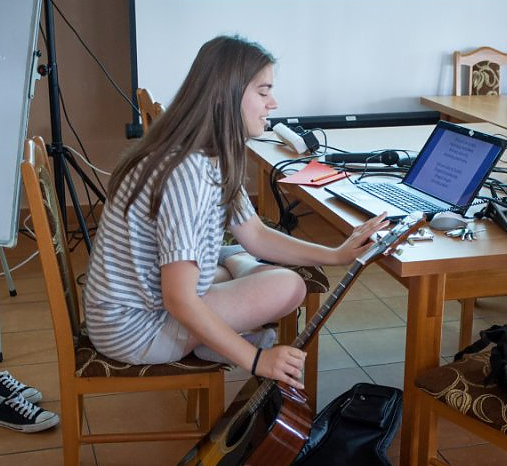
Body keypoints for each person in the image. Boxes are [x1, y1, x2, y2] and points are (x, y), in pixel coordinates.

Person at [83, 35, 387, 388]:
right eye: (263, 91)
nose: (273, 103)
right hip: (137, 330)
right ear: (224, 95)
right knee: (287, 286)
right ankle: (218, 337)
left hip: (137, 309)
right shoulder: (188, 173)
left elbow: (254, 234)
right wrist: (257, 360)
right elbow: (179, 299)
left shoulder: (207, 153)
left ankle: (216, 331)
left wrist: (335, 254)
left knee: (240, 269)